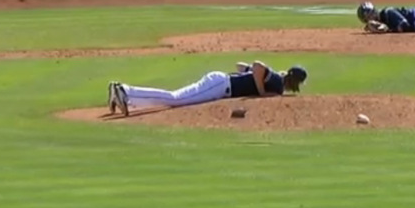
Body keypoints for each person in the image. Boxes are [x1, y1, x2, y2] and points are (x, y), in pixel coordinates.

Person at [106, 62, 308, 117]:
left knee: (175, 99)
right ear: (294, 80)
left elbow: (241, 66)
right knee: (175, 99)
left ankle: (125, 96)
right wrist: (262, 92)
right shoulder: (276, 81)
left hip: (220, 82)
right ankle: (124, 90)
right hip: (220, 85)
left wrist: (252, 80)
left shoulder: (276, 80)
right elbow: (257, 65)